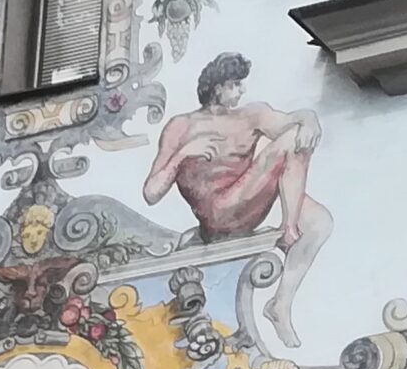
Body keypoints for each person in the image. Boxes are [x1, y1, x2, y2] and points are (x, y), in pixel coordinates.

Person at [142, 53, 332, 348]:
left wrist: (310, 118)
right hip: (218, 214)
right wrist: (183, 154)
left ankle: (280, 304)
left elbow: (293, 122)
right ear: (217, 88)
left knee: (320, 222)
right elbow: (151, 192)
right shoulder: (182, 126)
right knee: (291, 140)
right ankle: (289, 229)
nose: (241, 90)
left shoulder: (250, 115)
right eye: (234, 84)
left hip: (247, 200)